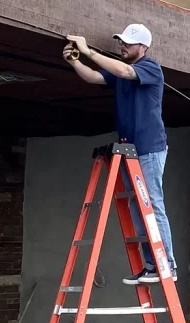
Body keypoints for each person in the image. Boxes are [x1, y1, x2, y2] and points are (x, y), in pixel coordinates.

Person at [63, 24, 176, 285]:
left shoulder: (150, 67)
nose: (122, 46)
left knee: (152, 205)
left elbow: (125, 70)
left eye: (128, 43)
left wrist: (87, 50)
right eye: (121, 42)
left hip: (148, 148)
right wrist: (74, 61)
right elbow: (94, 78)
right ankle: (151, 265)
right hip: (130, 150)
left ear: (144, 47)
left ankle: (165, 264)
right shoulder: (122, 73)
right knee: (138, 207)